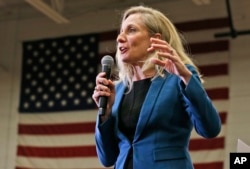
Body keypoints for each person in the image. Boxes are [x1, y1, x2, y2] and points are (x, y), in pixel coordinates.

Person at [92, 5, 221, 169]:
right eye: (120, 32)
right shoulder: (116, 90)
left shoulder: (178, 77)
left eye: (131, 30)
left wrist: (186, 77)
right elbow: (107, 158)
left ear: (156, 39)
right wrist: (106, 113)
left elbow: (210, 129)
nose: (119, 38)